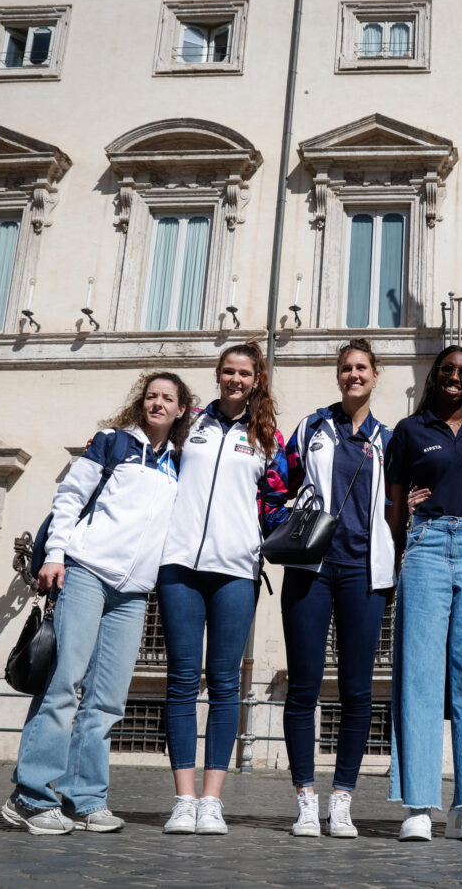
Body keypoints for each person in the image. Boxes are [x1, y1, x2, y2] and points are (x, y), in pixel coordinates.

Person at [3, 372, 193, 835]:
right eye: (151, 396)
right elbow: (69, 498)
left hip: (133, 592)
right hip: (86, 573)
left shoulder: (180, 462)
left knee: (107, 701)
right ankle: (29, 795)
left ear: (182, 410)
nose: (158, 404)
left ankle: (85, 799)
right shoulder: (112, 443)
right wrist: (54, 556)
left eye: (168, 398)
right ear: (140, 402)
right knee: (63, 684)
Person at [157, 342, 291, 836]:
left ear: (256, 380)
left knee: (226, 683)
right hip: (179, 566)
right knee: (181, 681)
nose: (235, 379)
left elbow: (278, 501)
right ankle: (183, 798)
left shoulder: (266, 437)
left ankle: (212, 800)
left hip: (236, 569)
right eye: (228, 371)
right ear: (218, 375)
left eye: (244, 373)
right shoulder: (187, 424)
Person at [386, 346, 462, 842]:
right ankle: (418, 804)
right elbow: (393, 504)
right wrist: (398, 551)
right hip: (427, 545)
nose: (456, 378)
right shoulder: (409, 431)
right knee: (420, 675)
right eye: (448, 371)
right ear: (434, 376)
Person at [279, 339, 395, 838]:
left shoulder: (389, 439)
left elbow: (402, 503)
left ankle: (342, 800)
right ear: (338, 375)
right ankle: (306, 799)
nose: (353, 375)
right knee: (304, 687)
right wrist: (281, 517)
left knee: (357, 692)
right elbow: (274, 481)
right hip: (311, 569)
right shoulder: (311, 428)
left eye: (362, 368)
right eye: (346, 368)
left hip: (364, 575)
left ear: (375, 375)